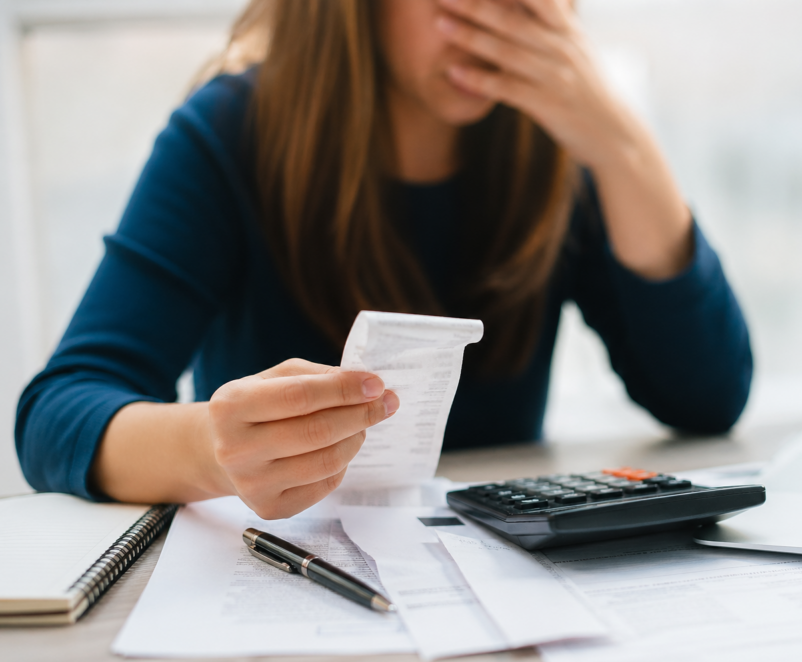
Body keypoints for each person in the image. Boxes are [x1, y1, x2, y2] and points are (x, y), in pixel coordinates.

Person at [16, 0, 752, 520]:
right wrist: (212, 447)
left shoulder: (555, 146)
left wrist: (622, 144)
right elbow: (59, 412)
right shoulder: (230, 135)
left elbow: (706, 396)